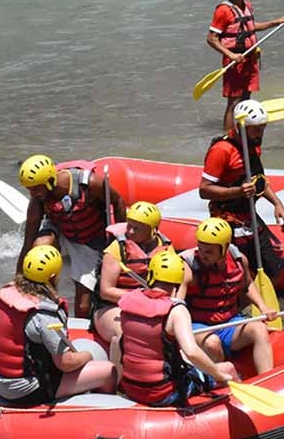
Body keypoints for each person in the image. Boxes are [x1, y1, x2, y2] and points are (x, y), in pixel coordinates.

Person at [0, 245, 117, 402]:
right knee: (109, 371)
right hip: (25, 389)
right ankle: (103, 410)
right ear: (53, 276)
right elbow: (65, 363)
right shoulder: (45, 314)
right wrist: (87, 356)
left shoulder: (5, 295)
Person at [112, 251, 238, 405]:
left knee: (186, 364)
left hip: (131, 388)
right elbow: (192, 352)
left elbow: (120, 342)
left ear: (150, 276)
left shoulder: (129, 301)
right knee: (228, 368)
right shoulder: (176, 310)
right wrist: (218, 374)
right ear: (178, 283)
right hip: (164, 393)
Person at [17, 155, 125, 318]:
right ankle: (47, 297)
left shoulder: (88, 184)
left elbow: (118, 201)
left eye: (35, 188)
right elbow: (28, 241)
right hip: (61, 232)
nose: (32, 194)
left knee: (82, 307)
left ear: (50, 181)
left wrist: (119, 241)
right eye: (29, 189)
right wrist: (18, 280)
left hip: (89, 240)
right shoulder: (38, 201)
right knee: (39, 245)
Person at [199, 100, 284, 281]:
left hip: (248, 215)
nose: (260, 134)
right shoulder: (221, 150)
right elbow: (204, 190)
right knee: (238, 271)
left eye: (263, 128)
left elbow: (258, 181)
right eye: (256, 129)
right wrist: (237, 192)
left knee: (272, 268)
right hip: (227, 219)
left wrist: (277, 203)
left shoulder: (253, 145)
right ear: (242, 127)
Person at [181, 218, 278, 375]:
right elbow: (177, 303)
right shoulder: (189, 267)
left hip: (229, 323)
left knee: (259, 328)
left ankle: (267, 379)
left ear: (224, 249)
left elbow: (246, 285)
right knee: (213, 343)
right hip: (198, 326)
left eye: (209, 252)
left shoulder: (239, 261)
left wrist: (263, 307)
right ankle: (224, 383)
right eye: (201, 249)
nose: (203, 255)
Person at [206, 0, 284, 132]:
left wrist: (276, 22)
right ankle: (228, 136)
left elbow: (251, 27)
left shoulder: (247, 5)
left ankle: (243, 134)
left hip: (250, 59)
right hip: (235, 61)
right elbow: (211, 38)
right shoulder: (223, 11)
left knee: (246, 99)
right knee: (234, 101)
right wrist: (231, 55)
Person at [93, 201, 175, 342]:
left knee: (171, 329)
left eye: (137, 229)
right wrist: (141, 298)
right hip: (113, 307)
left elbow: (173, 286)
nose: (130, 231)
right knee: (126, 332)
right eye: (129, 225)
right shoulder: (117, 248)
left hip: (152, 305)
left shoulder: (166, 249)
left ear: (152, 230)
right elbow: (106, 291)